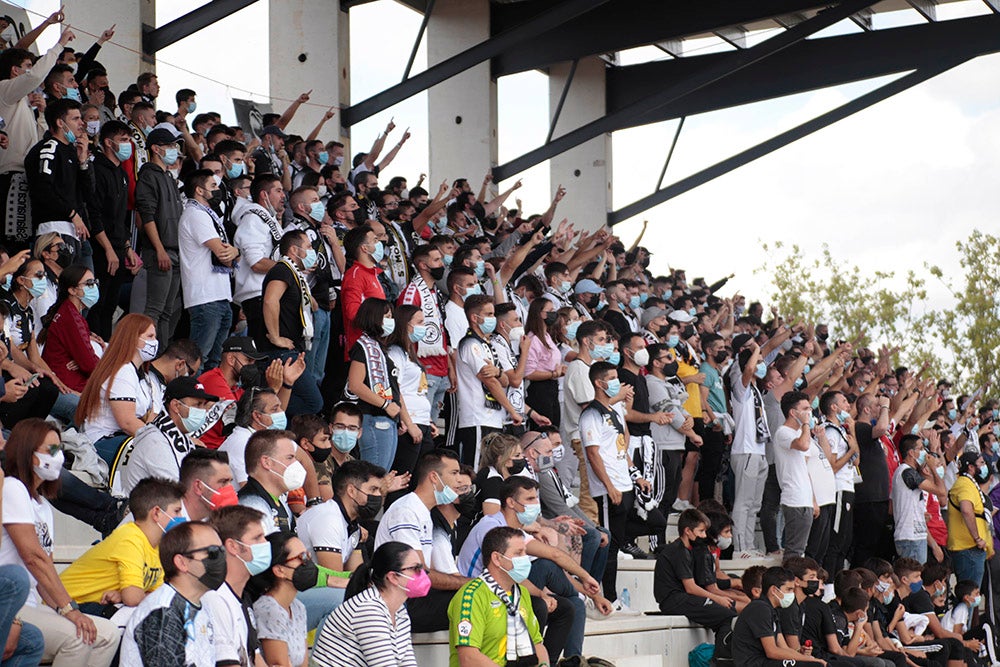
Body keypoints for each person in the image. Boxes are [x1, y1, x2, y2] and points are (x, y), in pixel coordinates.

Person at [0, 419, 120, 666]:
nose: (58, 457)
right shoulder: (13, 488)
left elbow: (47, 572)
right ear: (27, 451)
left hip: (33, 604)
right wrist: (70, 611)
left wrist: (66, 609)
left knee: (107, 634)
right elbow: (33, 557)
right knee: (77, 638)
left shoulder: (43, 506)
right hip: (10, 606)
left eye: (60, 450)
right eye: (51, 450)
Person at [60, 477, 185, 620]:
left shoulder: (157, 545)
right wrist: (129, 595)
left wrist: (123, 595)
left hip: (96, 605)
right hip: (70, 604)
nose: (181, 517)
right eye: (177, 511)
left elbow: (158, 594)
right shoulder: (130, 538)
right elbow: (134, 598)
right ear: (156, 513)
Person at [374, 449, 470, 633]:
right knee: (475, 599)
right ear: (434, 477)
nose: (459, 480)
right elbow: (417, 574)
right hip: (401, 601)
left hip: (414, 596)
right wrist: (468, 583)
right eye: (454, 473)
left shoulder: (423, 511)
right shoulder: (407, 511)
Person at [581, 360, 651, 604]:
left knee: (622, 541)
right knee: (609, 545)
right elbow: (592, 453)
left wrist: (635, 475)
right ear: (600, 383)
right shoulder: (591, 414)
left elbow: (623, 445)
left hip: (625, 484)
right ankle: (603, 596)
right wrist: (609, 486)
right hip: (609, 488)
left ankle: (610, 595)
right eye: (612, 378)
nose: (618, 383)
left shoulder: (614, 411)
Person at [121, 521, 225, 666]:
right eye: (213, 552)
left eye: (222, 551)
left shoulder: (201, 603)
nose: (221, 559)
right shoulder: (163, 613)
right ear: (182, 563)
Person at [449, 526, 548, 667]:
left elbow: (537, 644)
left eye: (525, 552)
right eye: (519, 553)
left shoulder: (521, 593)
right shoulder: (472, 595)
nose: (525, 559)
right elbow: (469, 658)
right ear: (497, 558)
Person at [311, 540, 419, 667]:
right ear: (393, 576)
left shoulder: (400, 611)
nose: (423, 574)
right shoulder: (368, 609)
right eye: (415, 568)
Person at [113, 377, 220, 495]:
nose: (203, 411)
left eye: (204, 405)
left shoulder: (176, 436)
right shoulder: (156, 442)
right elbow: (179, 492)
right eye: (198, 405)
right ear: (175, 405)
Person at [75, 311, 157, 464]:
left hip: (122, 438)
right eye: (150, 337)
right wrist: (160, 442)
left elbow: (149, 415)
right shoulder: (123, 371)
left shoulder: (140, 373)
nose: (155, 342)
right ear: (133, 339)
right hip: (102, 441)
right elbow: (126, 422)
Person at [346, 298, 418, 469]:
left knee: (381, 476)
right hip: (373, 417)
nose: (391, 321)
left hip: (387, 418)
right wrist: (386, 404)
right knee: (375, 476)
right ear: (374, 318)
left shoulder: (380, 348)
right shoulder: (363, 346)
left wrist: (402, 417)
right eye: (386, 316)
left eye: (391, 316)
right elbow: (354, 384)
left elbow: (394, 388)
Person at [178, 168, 238, 369]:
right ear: (199, 190)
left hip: (219, 295)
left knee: (215, 362)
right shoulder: (196, 214)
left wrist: (234, 253)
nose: (218, 190)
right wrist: (236, 252)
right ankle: (188, 396)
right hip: (205, 297)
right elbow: (222, 253)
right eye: (213, 186)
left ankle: (206, 399)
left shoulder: (208, 214)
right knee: (198, 360)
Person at [259, 230, 323, 416]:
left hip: (292, 350)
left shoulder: (295, 274)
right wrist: (276, 337)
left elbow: (310, 304)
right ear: (295, 250)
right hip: (280, 352)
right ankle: (275, 421)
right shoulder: (282, 270)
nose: (312, 252)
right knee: (313, 403)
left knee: (293, 399)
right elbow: (270, 300)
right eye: (309, 247)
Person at [455, 294, 523, 468]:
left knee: (492, 469)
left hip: (493, 418)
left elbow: (505, 380)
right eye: (489, 314)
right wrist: (512, 411)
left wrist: (498, 372)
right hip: (477, 418)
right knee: (477, 469)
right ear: (474, 318)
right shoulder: (471, 344)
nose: (493, 319)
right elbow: (490, 382)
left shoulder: (488, 344)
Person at [297, 460, 385, 591]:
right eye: (373, 489)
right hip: (306, 591)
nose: (378, 495)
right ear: (351, 491)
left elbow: (356, 574)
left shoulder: (351, 523)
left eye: (379, 490)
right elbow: (335, 581)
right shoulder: (328, 520)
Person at [202, 505, 271, 667]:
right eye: (257, 538)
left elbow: (254, 657)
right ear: (233, 546)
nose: (265, 543)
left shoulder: (242, 597)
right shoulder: (215, 598)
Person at [135, 128, 185, 346]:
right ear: (156, 149)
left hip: (174, 251)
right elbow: (146, 216)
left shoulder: (168, 177)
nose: (174, 150)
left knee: (167, 311)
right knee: (155, 309)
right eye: (170, 146)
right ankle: (146, 354)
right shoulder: (148, 176)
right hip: (161, 252)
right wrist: (159, 249)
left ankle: (161, 354)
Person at [653, 508, 737, 631]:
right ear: (688, 531)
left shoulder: (687, 550)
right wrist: (717, 598)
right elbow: (690, 588)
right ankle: (721, 649)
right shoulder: (678, 551)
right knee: (727, 614)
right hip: (674, 601)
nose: (704, 536)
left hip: (683, 598)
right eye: (701, 531)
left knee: (729, 611)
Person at [385, 303, 436, 505]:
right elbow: (396, 391)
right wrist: (409, 422)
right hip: (410, 424)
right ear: (406, 325)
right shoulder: (395, 352)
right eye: (420, 322)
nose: (424, 326)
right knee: (404, 483)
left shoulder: (409, 353)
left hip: (421, 422)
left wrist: (429, 420)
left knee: (417, 484)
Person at [397, 243, 451, 424]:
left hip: (441, 369)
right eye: (436, 260)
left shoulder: (436, 292)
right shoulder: (412, 293)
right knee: (421, 427)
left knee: (432, 429)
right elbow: (404, 332)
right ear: (423, 265)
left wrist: (449, 368)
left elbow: (441, 332)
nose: (442, 264)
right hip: (424, 371)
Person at [730, 566, 824, 667]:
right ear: (774, 590)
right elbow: (772, 651)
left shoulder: (772, 610)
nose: (792, 594)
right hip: (753, 663)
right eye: (789, 589)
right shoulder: (760, 608)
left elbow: (784, 648)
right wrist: (809, 660)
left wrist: (801, 655)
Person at [248, 531, 311, 667]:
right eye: (302, 557)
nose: (308, 562)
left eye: (308, 555)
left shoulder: (298, 607)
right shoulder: (269, 610)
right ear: (279, 570)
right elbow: (279, 663)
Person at [38, 265, 102, 394]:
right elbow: (91, 365)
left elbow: (86, 361)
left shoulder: (69, 311)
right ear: (72, 290)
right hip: (67, 386)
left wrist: (83, 361)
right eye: (89, 283)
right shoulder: (71, 318)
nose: (94, 287)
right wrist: (86, 361)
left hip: (70, 380)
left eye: (95, 282)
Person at [772, 391, 816, 559]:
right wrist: (806, 425)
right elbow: (803, 446)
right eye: (805, 409)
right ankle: (789, 583)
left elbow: (805, 466)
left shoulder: (801, 433)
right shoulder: (783, 432)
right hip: (793, 497)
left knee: (801, 550)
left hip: (804, 497)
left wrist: (813, 499)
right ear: (793, 412)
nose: (809, 413)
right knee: (794, 551)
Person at [890, 434, 944, 563]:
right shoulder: (906, 472)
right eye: (920, 449)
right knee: (912, 579)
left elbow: (893, 507)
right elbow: (941, 491)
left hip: (916, 535)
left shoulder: (906, 472)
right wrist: (932, 468)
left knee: (917, 578)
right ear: (911, 453)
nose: (924, 453)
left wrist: (918, 514)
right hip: (909, 537)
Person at [220, 387, 286, 487]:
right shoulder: (242, 442)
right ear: (257, 416)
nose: (281, 412)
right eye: (275, 409)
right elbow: (250, 489)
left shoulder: (260, 438)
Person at [947, 450, 993, 586]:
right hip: (969, 549)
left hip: (972, 549)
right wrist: (977, 538)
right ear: (971, 467)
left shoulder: (969, 483)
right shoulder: (964, 484)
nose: (984, 466)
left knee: (972, 596)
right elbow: (967, 510)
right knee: (969, 595)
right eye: (981, 463)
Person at [523, 297, 565, 428]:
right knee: (545, 430)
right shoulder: (533, 339)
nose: (554, 314)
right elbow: (529, 373)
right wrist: (553, 374)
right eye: (550, 310)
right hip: (540, 391)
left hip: (552, 390)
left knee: (554, 428)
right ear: (540, 313)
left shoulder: (546, 336)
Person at [178, 448, 239, 523]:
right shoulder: (166, 523)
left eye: (230, 482)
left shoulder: (218, 523)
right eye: (223, 482)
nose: (230, 488)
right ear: (198, 486)